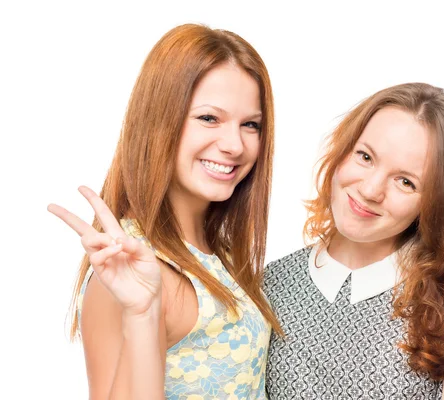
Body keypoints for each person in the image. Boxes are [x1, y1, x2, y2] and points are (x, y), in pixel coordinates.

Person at [263, 82, 444, 399]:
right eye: (365, 156)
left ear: (433, 204)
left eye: (405, 182)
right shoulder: (270, 285)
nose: (371, 189)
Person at [48, 23, 281, 399]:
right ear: (158, 121)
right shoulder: (128, 269)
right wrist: (142, 315)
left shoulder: (210, 251)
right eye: (209, 118)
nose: (234, 144)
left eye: (250, 125)